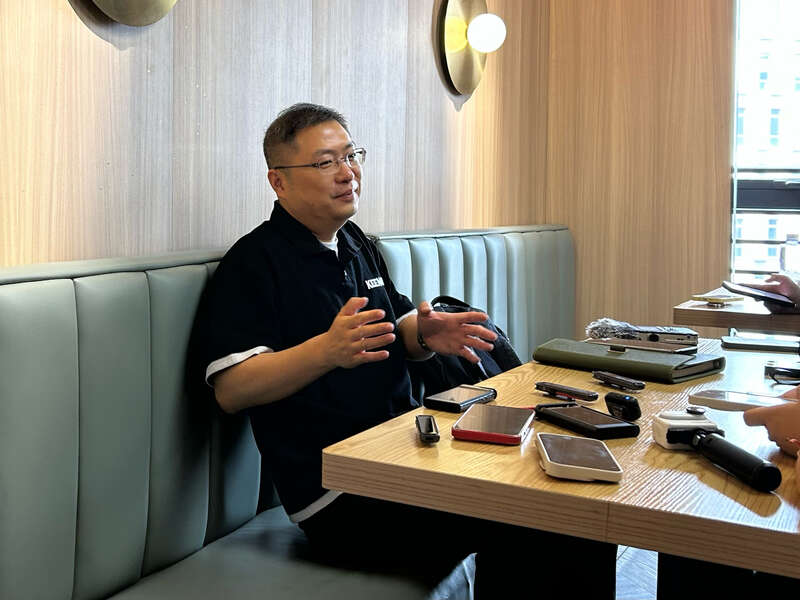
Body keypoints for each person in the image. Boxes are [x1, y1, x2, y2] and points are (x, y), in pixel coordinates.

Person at [191, 103, 617, 597]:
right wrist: (325, 351)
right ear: (278, 182)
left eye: (352, 156)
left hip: (407, 452)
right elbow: (231, 390)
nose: (347, 173)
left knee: (576, 504)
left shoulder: (354, 242)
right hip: (341, 496)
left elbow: (395, 326)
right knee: (548, 519)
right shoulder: (254, 262)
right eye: (325, 162)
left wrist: (425, 333)